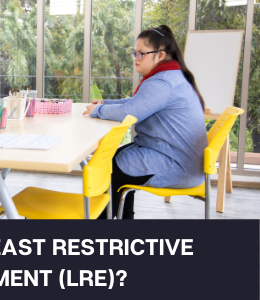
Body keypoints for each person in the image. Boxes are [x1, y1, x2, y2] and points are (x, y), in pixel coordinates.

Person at [83, 25, 208, 219]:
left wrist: (98, 110)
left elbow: (131, 111)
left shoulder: (162, 82)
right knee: (109, 160)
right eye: (135, 53)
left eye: (141, 54)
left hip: (177, 165)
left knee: (107, 168)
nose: (136, 59)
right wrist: (105, 104)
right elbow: (138, 103)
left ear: (160, 55)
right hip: (180, 159)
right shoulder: (171, 75)